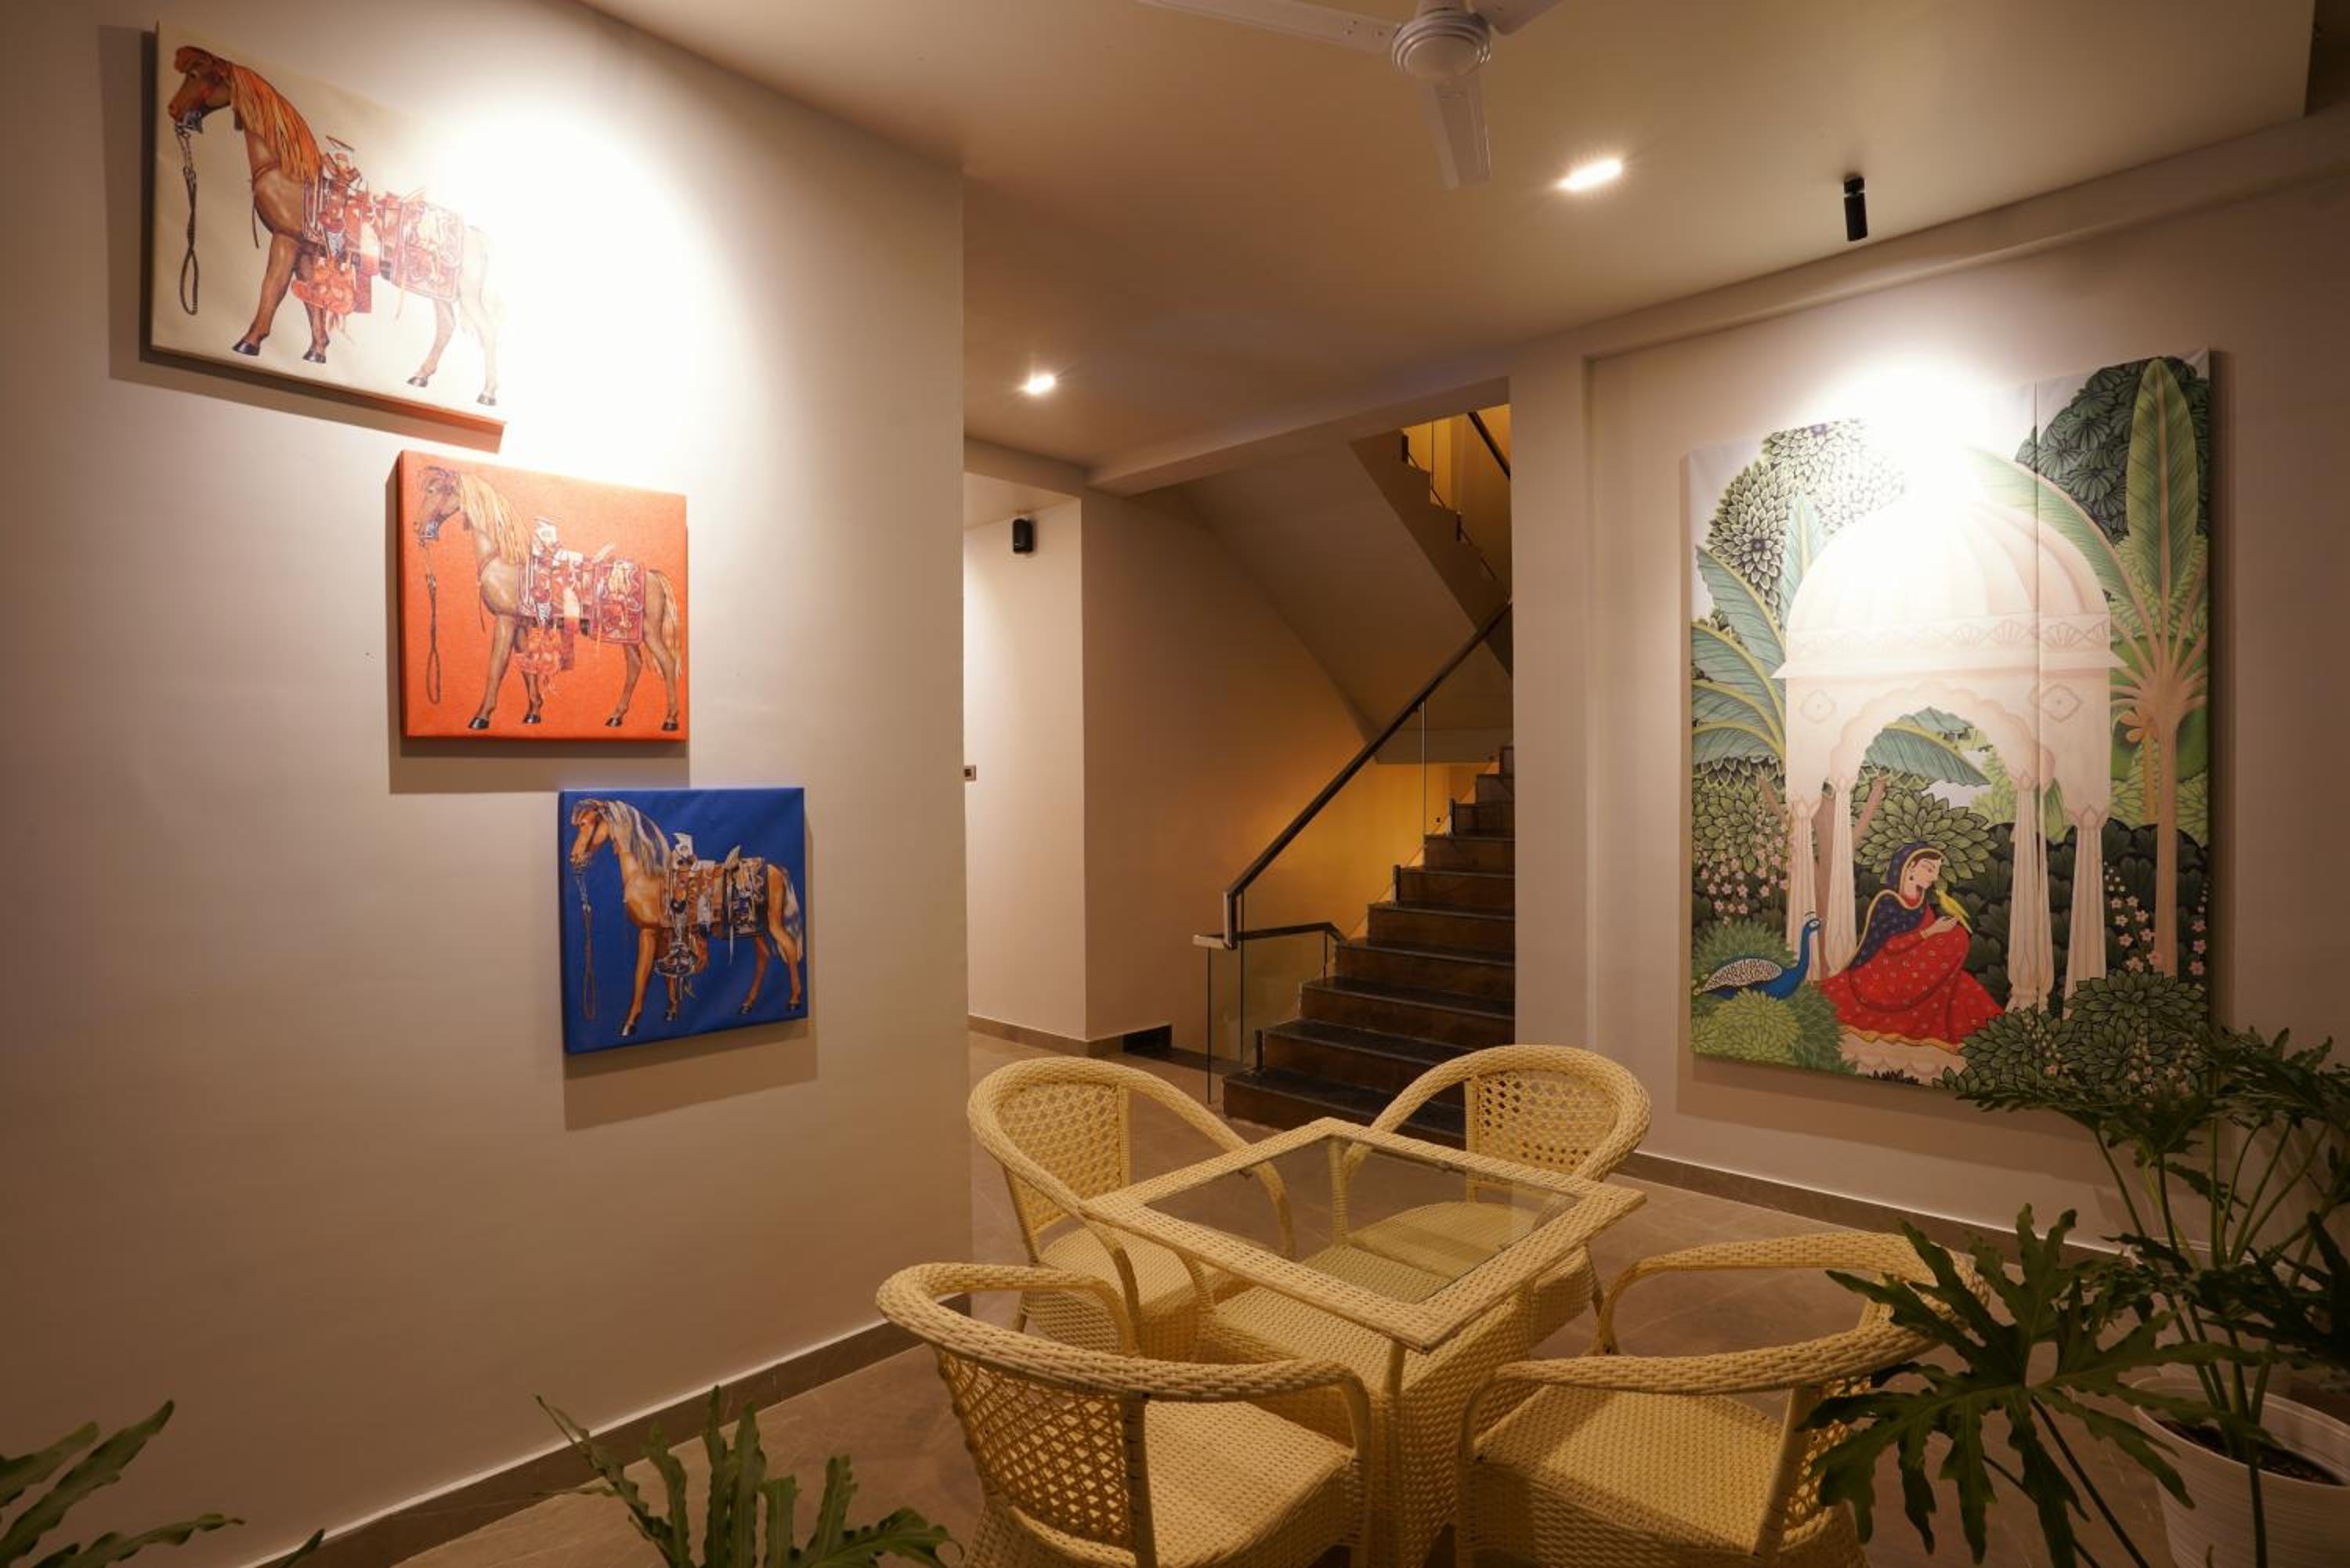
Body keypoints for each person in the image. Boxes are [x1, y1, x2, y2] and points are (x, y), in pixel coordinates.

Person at [1819, 840, 2001, 1049]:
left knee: (1957, 943)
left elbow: (1929, 943)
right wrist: (1932, 931)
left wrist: (1939, 932)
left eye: (1937, 871)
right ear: (1909, 867)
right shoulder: (1888, 901)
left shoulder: (1921, 900)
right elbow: (1891, 946)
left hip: (1913, 962)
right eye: (1929, 869)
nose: (1934, 877)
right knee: (1955, 939)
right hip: (1884, 970)